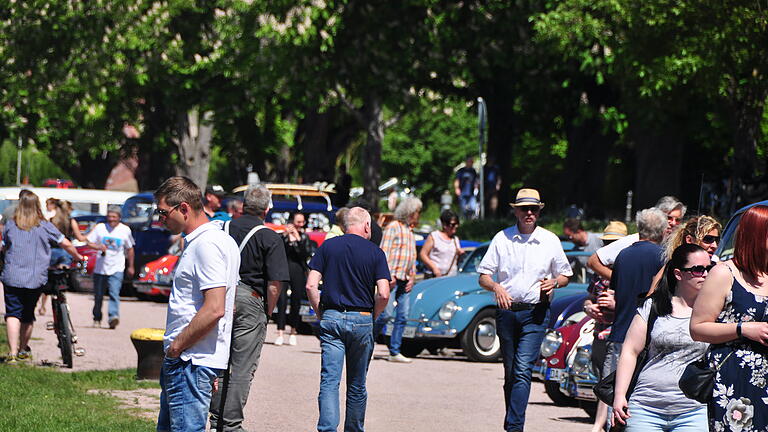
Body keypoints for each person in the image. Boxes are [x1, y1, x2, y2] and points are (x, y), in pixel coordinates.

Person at [477, 188, 573, 432]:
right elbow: (483, 276)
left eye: (534, 209)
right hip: (507, 312)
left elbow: (565, 275)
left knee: (522, 370)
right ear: (516, 211)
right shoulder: (502, 238)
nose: (529, 213)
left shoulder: (550, 240)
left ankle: (514, 427)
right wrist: (496, 287)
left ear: (539, 211)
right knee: (511, 373)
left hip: (536, 313)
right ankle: (513, 419)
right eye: (524, 209)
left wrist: (555, 282)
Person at [154, 176, 240, 432]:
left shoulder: (207, 245)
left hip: (189, 361)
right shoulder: (218, 240)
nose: (160, 219)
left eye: (162, 212)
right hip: (196, 360)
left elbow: (216, 308)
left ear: (183, 208)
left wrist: (177, 347)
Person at [209, 184, 288, 432]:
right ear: (266, 209)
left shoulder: (221, 228)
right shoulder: (269, 236)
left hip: (220, 295)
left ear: (242, 205)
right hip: (251, 298)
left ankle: (215, 420)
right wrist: (267, 312)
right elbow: (275, 284)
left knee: (220, 359)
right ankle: (231, 425)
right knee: (242, 366)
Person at [305, 207, 391, 432]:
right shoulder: (375, 253)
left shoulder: (328, 246)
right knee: (357, 384)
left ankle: (327, 429)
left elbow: (311, 285)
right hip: (362, 318)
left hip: (332, 316)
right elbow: (383, 293)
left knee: (330, 382)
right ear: (365, 226)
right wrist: (373, 316)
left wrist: (320, 312)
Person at [612, 244, 710, 430]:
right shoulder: (654, 306)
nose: (705, 274)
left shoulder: (716, 312)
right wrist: (619, 396)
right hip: (645, 407)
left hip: (694, 411)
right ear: (678, 274)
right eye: (698, 269)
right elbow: (630, 351)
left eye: (709, 268)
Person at [690, 205, 768, 432]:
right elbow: (697, 328)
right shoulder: (725, 273)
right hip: (736, 377)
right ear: (755, 234)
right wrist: (743, 329)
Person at [602, 208, 667, 428]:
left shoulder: (623, 255)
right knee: (639, 401)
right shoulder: (662, 257)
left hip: (620, 331)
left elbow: (617, 291)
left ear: (639, 228)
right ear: (662, 231)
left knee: (615, 398)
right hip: (646, 338)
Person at [2, 190, 82, 363]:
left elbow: (4, 244)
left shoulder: (11, 224)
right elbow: (65, 243)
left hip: (12, 275)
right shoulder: (44, 226)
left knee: (13, 314)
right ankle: (23, 349)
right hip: (35, 278)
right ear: (37, 205)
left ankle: (12, 354)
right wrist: (77, 257)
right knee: (27, 315)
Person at [583, 221, 627, 432]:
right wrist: (589, 308)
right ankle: (599, 424)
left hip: (618, 334)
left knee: (614, 382)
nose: (610, 247)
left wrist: (615, 304)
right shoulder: (599, 272)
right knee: (603, 381)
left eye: (614, 243)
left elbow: (638, 307)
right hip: (599, 332)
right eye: (607, 242)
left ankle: (607, 425)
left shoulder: (629, 270)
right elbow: (588, 299)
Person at [588, 196, 685, 280]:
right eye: (669, 218)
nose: (673, 223)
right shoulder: (634, 240)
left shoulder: (680, 243)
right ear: (658, 216)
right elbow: (593, 261)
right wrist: (620, 281)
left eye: (678, 220)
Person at [375, 197, 422, 363]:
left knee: (403, 316)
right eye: (417, 212)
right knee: (384, 314)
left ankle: (394, 351)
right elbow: (384, 252)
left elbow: (412, 256)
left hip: (405, 279)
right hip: (392, 279)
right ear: (410, 212)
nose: (418, 216)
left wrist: (412, 276)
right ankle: (366, 341)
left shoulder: (409, 230)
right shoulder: (393, 227)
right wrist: (388, 275)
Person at [86, 206, 135, 329]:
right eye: (109, 216)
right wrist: (97, 247)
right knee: (98, 295)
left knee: (114, 293)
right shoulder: (100, 228)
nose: (111, 219)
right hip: (100, 268)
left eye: (114, 217)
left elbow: (130, 248)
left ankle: (113, 317)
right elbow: (89, 242)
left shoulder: (125, 230)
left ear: (119, 217)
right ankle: (97, 318)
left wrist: (131, 266)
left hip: (117, 267)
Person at [275, 211, 312, 346]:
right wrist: (286, 236)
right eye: (298, 222)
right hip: (284, 270)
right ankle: (280, 331)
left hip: (298, 271)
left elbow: (305, 255)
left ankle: (293, 331)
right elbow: (277, 250)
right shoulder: (283, 236)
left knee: (296, 301)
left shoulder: (304, 237)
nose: (300, 225)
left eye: (302, 222)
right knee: (282, 301)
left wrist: (298, 239)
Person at [419, 210, 464, 278]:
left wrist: (460, 254)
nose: (456, 226)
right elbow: (423, 254)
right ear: (444, 225)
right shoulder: (434, 236)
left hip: (451, 277)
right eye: (453, 224)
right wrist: (434, 268)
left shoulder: (455, 239)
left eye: (457, 224)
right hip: (435, 277)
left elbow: (457, 261)